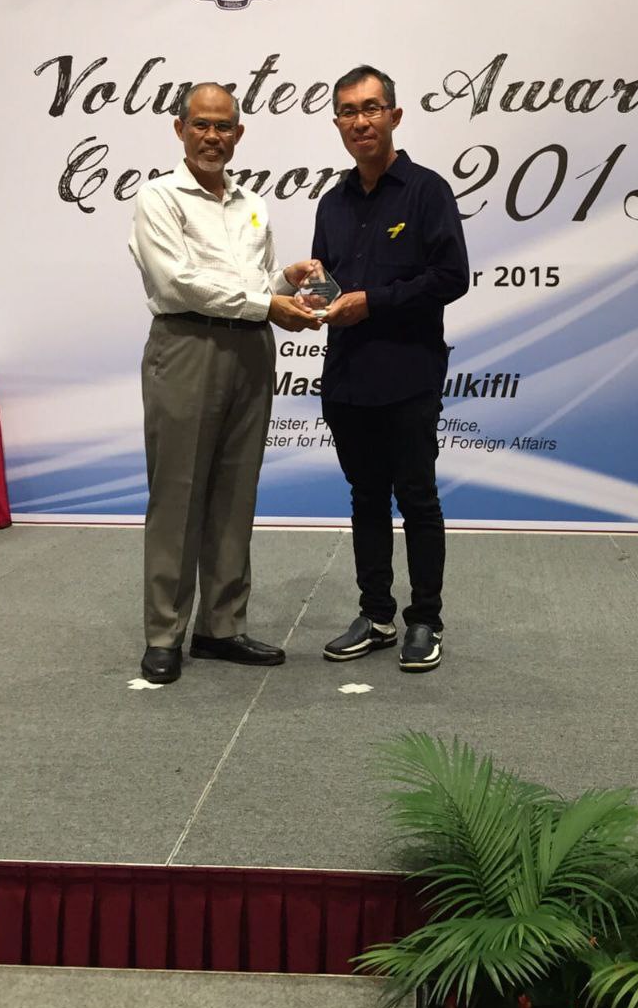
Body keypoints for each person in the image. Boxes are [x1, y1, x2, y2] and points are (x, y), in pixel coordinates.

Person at [129, 82, 319, 685]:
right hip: (186, 344)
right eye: (202, 124)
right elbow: (179, 282)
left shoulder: (252, 203)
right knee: (178, 493)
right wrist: (266, 303)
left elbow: (257, 280)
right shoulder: (159, 198)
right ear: (179, 128)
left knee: (236, 492)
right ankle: (164, 633)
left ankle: (221, 627)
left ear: (239, 133)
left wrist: (284, 282)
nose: (213, 136)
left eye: (225, 126)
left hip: (249, 349)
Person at [311, 65, 469, 673]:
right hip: (347, 377)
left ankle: (425, 619)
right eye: (348, 112)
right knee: (365, 498)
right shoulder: (332, 201)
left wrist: (372, 301)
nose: (360, 121)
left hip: (408, 374)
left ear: (395, 117)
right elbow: (331, 287)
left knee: (418, 499)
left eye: (371, 108)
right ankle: (376, 613)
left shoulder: (427, 191)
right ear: (338, 125)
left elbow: (451, 277)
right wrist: (310, 286)